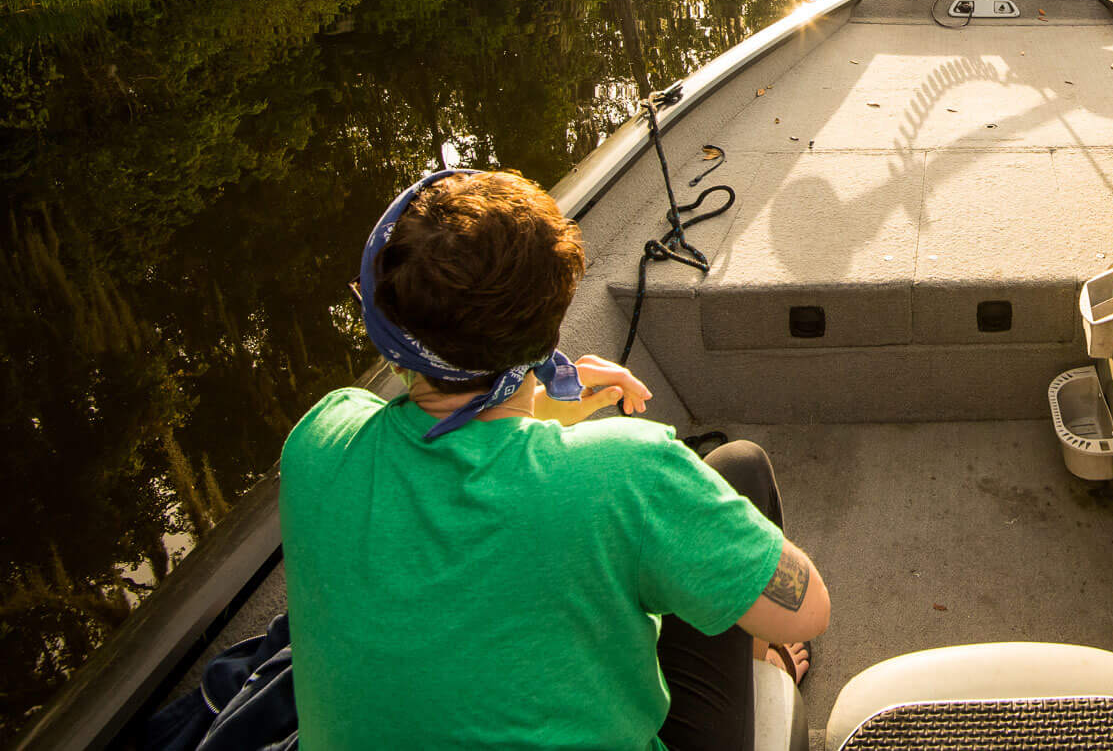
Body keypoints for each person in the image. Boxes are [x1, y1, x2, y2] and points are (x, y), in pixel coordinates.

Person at [281, 168, 829, 750]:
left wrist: (540, 407)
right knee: (739, 466)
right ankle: (764, 665)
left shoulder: (320, 440)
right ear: (546, 334)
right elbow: (809, 610)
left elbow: (451, 452)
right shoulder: (628, 472)